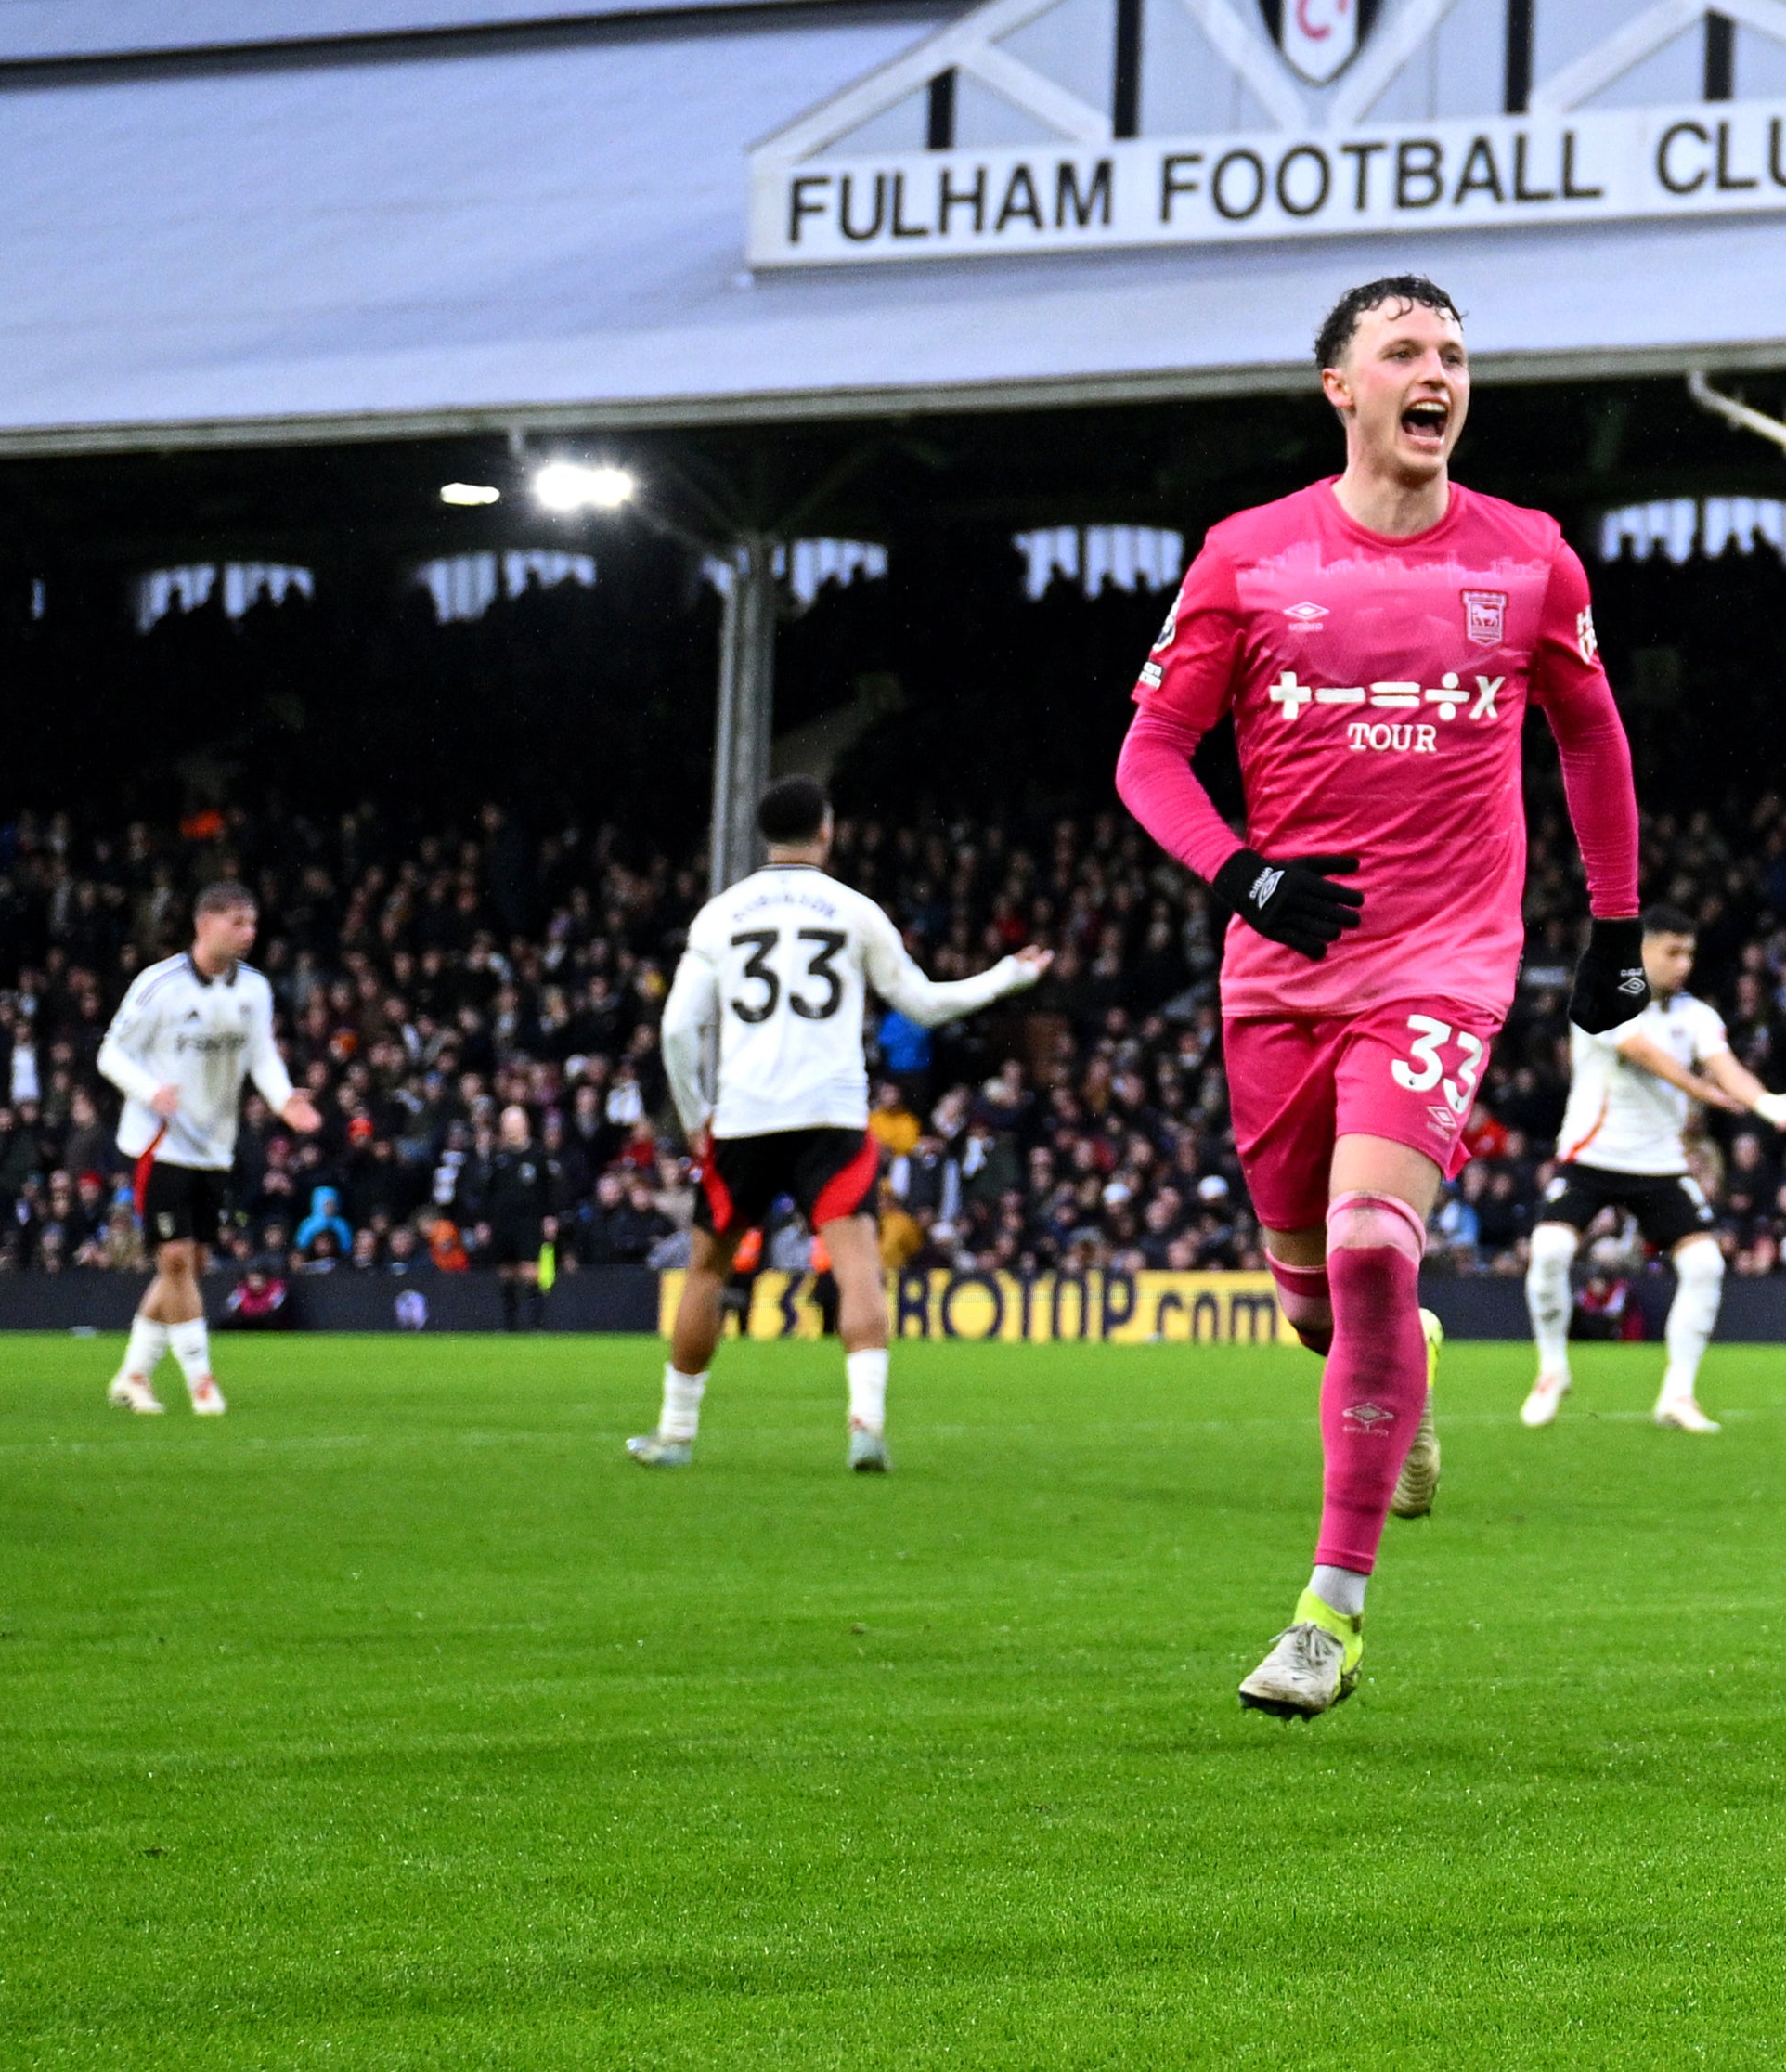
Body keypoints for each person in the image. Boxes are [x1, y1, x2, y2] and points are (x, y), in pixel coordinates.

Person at [1115, 273, 1658, 1716]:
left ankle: (1328, 1615)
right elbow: (1149, 759)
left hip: (1442, 961)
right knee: (1321, 1301)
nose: (1439, 372)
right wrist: (1240, 875)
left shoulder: (1532, 558)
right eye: (1405, 351)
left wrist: (1616, 925)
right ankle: (1397, 1353)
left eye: (1456, 353)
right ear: (1340, 389)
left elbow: (1592, 742)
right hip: (1280, 969)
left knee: (1369, 1241)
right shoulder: (1247, 555)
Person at [626, 778, 1046, 1472]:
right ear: (826, 831)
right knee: (857, 1268)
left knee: (707, 1267)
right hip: (832, 1112)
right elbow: (926, 1003)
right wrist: (1006, 976)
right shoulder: (854, 911)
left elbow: (676, 1028)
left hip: (746, 1114)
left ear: (767, 834)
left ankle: (675, 1433)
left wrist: (697, 1115)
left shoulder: (721, 914)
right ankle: (866, 1426)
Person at [1519, 913, 1786, 1436]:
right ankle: (1552, 1372)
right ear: (1643, 950)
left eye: (1690, 954)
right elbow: (1643, 1053)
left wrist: (1768, 1105)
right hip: (1591, 1155)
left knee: (1704, 1265)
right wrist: (1705, 1095)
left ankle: (1678, 1394)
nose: (1685, 965)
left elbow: (1725, 1066)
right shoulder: (1602, 994)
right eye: (1673, 952)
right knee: (1550, 1252)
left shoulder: (1696, 1015)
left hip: (1659, 1164)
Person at [97, 878, 319, 1417]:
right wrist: (153, 1091)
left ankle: (132, 1376)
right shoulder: (160, 985)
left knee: (188, 1267)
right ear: (205, 924)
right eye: (237, 922)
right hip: (160, 1140)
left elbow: (262, 1056)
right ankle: (202, 1383)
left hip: (216, 1146)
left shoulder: (254, 990)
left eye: (253, 923)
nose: (249, 933)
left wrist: (285, 1098)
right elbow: (111, 1054)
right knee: (174, 1259)